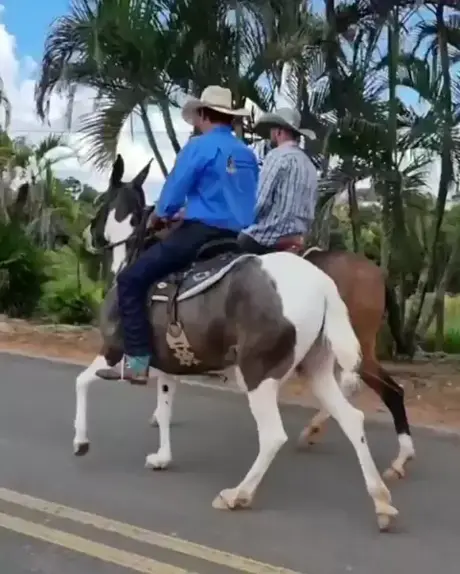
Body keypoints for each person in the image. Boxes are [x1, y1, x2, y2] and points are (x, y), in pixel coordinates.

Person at [97, 86, 259, 383]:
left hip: (198, 234)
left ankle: (136, 363)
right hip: (235, 238)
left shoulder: (199, 147)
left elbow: (172, 195)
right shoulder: (246, 154)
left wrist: (158, 217)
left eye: (197, 116)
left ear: (204, 114)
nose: (196, 122)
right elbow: (241, 199)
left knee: (130, 280)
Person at [239, 107, 318, 255]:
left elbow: (261, 202)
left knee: (231, 249)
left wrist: (241, 220)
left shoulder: (277, 156)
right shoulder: (309, 165)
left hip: (270, 236)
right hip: (299, 237)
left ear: (279, 131)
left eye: (271, 130)